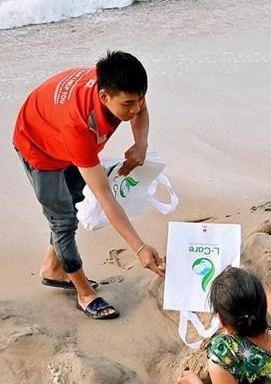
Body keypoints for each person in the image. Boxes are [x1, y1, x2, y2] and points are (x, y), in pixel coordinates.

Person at [13, 51, 164, 320]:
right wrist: (139, 248)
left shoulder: (123, 87)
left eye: (140, 100)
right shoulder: (79, 126)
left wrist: (141, 143)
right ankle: (84, 294)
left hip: (58, 128)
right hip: (38, 144)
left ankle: (53, 268)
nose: (136, 109)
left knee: (72, 199)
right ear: (104, 97)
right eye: (128, 104)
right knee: (62, 220)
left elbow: (140, 105)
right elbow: (105, 195)